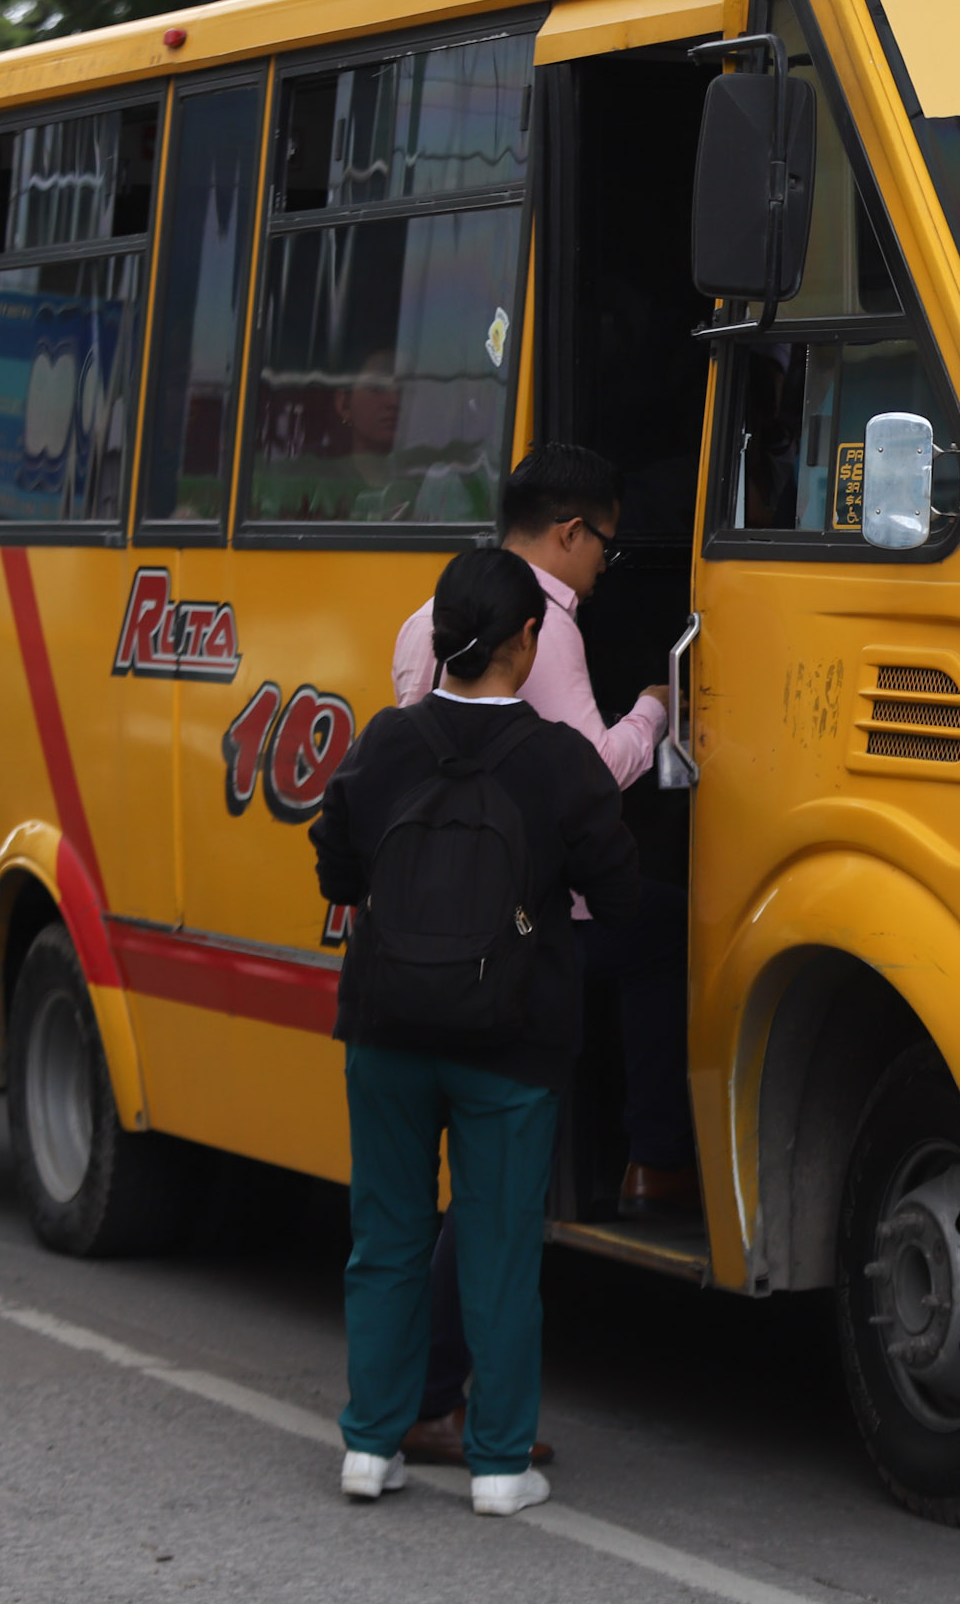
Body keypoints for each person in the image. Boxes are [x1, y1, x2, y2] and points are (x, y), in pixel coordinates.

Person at [316, 547, 641, 1518]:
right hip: (512, 1039)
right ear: (528, 641)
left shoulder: (386, 740)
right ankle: (499, 1464)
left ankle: (369, 1448)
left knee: (387, 1237)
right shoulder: (559, 762)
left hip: (385, 1024)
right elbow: (620, 896)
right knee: (498, 1248)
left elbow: (336, 869)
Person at [387, 443, 694, 1470]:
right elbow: (585, 779)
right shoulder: (541, 629)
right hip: (523, 937)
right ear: (569, 532)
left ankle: (415, 1400)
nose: (608, 562)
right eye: (606, 541)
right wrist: (656, 707)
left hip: (429, 932)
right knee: (492, 1185)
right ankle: (654, 1152)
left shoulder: (425, 615)